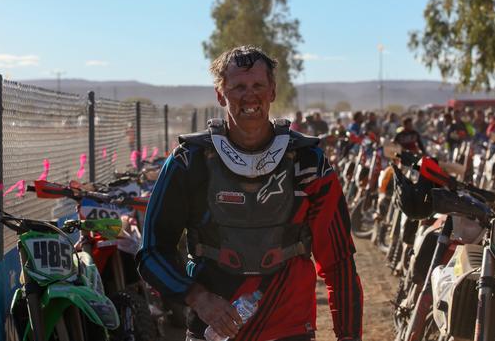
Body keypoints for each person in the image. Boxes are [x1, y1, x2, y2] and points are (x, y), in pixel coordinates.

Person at [137, 46, 363, 341]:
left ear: (272, 91)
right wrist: (199, 298)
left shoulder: (308, 163)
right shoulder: (189, 161)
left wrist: (349, 336)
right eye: (238, 87)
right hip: (213, 330)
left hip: (290, 327)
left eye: (258, 85)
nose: (250, 95)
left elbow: (339, 261)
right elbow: (152, 252)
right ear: (220, 94)